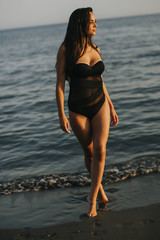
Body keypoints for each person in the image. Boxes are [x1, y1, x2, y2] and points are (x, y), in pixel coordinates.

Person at [56, 7, 119, 217]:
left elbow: (100, 80)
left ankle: (91, 200)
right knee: (90, 152)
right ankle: (99, 190)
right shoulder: (66, 49)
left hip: (100, 102)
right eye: (92, 21)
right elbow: (59, 85)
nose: (96, 24)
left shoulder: (96, 48)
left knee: (100, 150)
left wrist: (110, 105)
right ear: (81, 23)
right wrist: (61, 114)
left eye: (95, 21)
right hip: (78, 109)